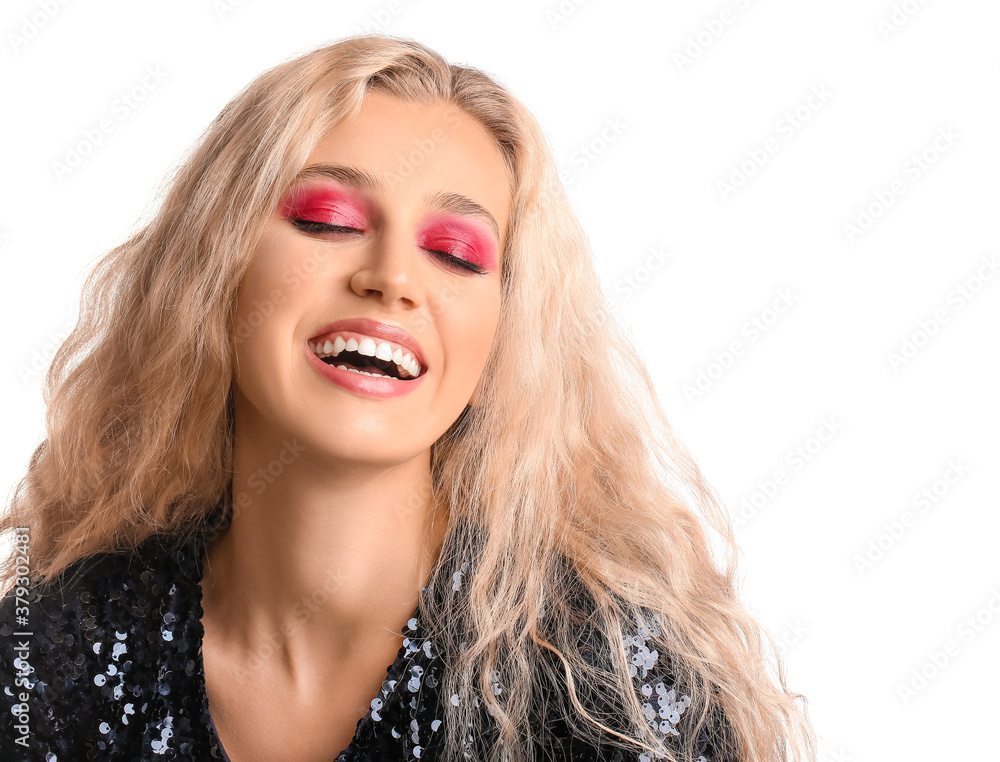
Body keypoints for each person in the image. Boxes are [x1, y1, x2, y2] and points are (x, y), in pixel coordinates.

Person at [0, 34, 816, 762]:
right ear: (213, 265)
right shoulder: (48, 655)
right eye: (327, 218)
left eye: (456, 254)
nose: (391, 278)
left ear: (505, 333)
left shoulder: (608, 696)